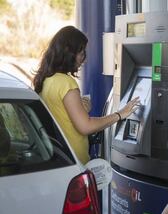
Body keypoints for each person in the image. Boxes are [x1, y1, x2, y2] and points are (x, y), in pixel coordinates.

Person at [33, 26, 139, 165]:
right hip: (74, 160)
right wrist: (119, 114)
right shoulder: (66, 83)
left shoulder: (46, 79)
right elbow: (86, 126)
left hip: (59, 157)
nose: (83, 59)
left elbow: (62, 117)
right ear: (68, 53)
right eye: (81, 53)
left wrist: (81, 110)